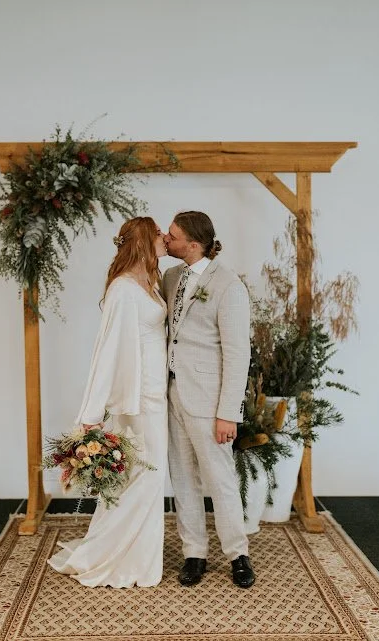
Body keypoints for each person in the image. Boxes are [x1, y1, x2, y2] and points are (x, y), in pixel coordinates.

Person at [47, 217, 168, 588]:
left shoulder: (151, 282)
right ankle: (117, 557)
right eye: (159, 233)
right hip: (139, 399)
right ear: (144, 240)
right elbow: (107, 351)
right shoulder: (123, 289)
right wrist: (92, 412)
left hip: (157, 393)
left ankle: (134, 555)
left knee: (144, 478)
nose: (165, 238)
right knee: (145, 477)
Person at [162, 210, 255, 589]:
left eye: (172, 236)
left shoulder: (229, 285)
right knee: (182, 477)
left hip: (209, 401)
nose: (166, 239)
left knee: (220, 480)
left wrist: (228, 413)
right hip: (172, 393)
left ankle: (238, 554)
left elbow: (237, 354)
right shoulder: (170, 277)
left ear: (194, 244)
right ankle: (194, 553)